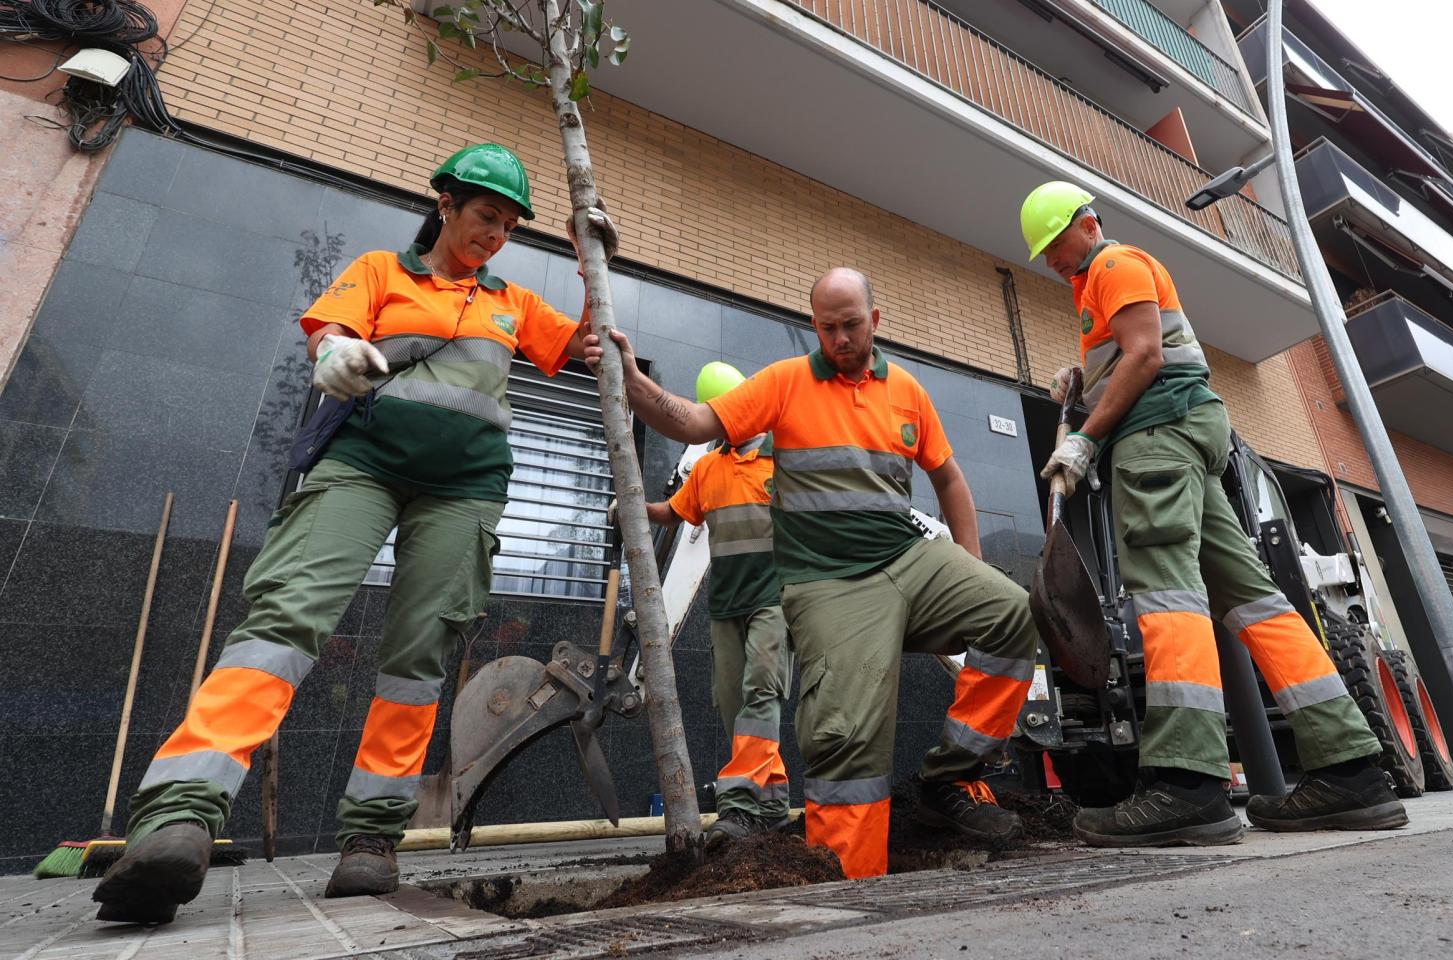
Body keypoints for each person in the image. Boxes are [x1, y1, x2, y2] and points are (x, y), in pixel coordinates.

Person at [93, 144, 618, 923]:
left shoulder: (512, 302)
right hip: (361, 467)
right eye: (484, 217)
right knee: (285, 618)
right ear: (445, 204)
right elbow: (328, 331)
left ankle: (371, 839)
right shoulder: (382, 271)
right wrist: (335, 350)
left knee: (419, 657)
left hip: (465, 490)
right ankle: (180, 815)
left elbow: (587, 347)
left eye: (508, 226)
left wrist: (591, 259)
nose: (494, 236)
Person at [583, 268, 1039, 878]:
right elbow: (691, 422)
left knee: (1009, 614)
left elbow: (950, 479)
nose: (840, 339)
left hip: (907, 555)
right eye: (827, 328)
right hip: (830, 582)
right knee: (845, 738)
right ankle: (847, 886)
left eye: (851, 325)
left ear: (875, 321)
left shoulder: (906, 389)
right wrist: (634, 381)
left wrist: (968, 565)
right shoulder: (786, 383)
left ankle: (949, 778)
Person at [1018, 181, 1407, 847]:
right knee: (1253, 598)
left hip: (1157, 441)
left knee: (1167, 596)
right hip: (1190, 436)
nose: (1051, 259)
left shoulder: (1114, 264)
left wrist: (1085, 440)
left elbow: (1146, 356)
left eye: (1056, 243)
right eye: (1043, 253)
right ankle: (1352, 770)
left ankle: (1186, 783)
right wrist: (1085, 377)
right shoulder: (1098, 283)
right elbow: (1131, 354)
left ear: (1087, 224)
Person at [642, 362, 792, 848]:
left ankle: (742, 803)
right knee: (734, 703)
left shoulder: (783, 463)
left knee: (761, 690)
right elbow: (674, 513)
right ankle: (772, 801)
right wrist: (633, 506)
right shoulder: (707, 468)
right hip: (726, 604)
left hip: (773, 599)